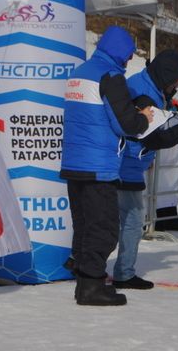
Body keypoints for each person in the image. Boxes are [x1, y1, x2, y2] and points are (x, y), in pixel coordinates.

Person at [61, 26, 152, 306]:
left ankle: (86, 282)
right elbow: (125, 123)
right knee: (104, 228)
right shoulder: (110, 77)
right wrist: (145, 118)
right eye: (128, 55)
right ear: (121, 52)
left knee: (86, 225)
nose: (128, 62)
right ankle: (91, 288)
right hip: (98, 165)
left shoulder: (79, 73)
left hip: (74, 164)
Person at [112, 50, 178, 290]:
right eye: (177, 82)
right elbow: (153, 137)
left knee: (116, 218)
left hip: (129, 161)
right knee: (131, 220)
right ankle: (121, 272)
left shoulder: (149, 85)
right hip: (127, 162)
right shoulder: (144, 94)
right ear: (168, 75)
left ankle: (86, 262)